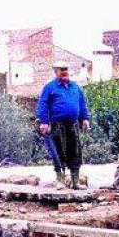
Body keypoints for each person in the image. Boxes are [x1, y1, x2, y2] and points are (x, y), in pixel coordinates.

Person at [36, 60, 90, 189]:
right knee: (58, 151)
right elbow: (42, 104)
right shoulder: (50, 87)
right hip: (57, 125)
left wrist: (85, 118)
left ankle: (75, 182)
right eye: (61, 70)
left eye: (66, 69)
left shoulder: (75, 87)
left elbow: (82, 103)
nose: (65, 72)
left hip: (73, 124)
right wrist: (44, 122)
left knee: (75, 151)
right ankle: (60, 181)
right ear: (56, 72)